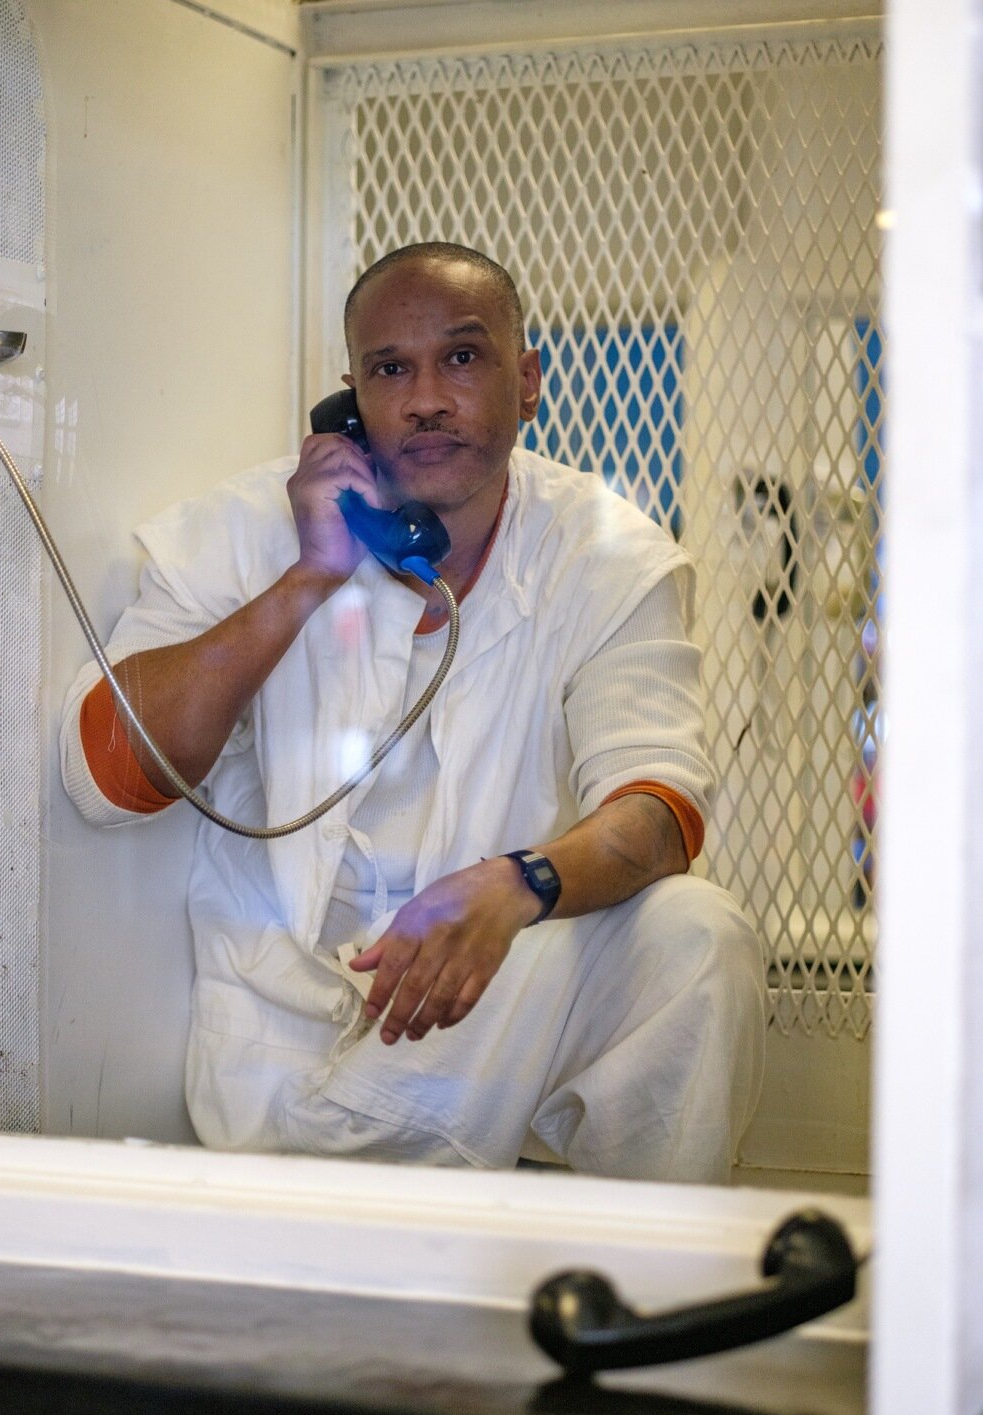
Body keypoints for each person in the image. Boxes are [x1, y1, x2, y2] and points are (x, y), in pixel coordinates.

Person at [61, 242, 764, 1181]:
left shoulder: (609, 557)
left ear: (528, 382)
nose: (426, 397)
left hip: (483, 1017)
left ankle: (649, 1282)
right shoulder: (246, 529)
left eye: (462, 360)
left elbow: (661, 808)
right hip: (289, 1057)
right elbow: (105, 778)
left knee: (697, 935)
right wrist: (310, 575)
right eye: (392, 370)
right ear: (352, 401)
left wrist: (520, 884)